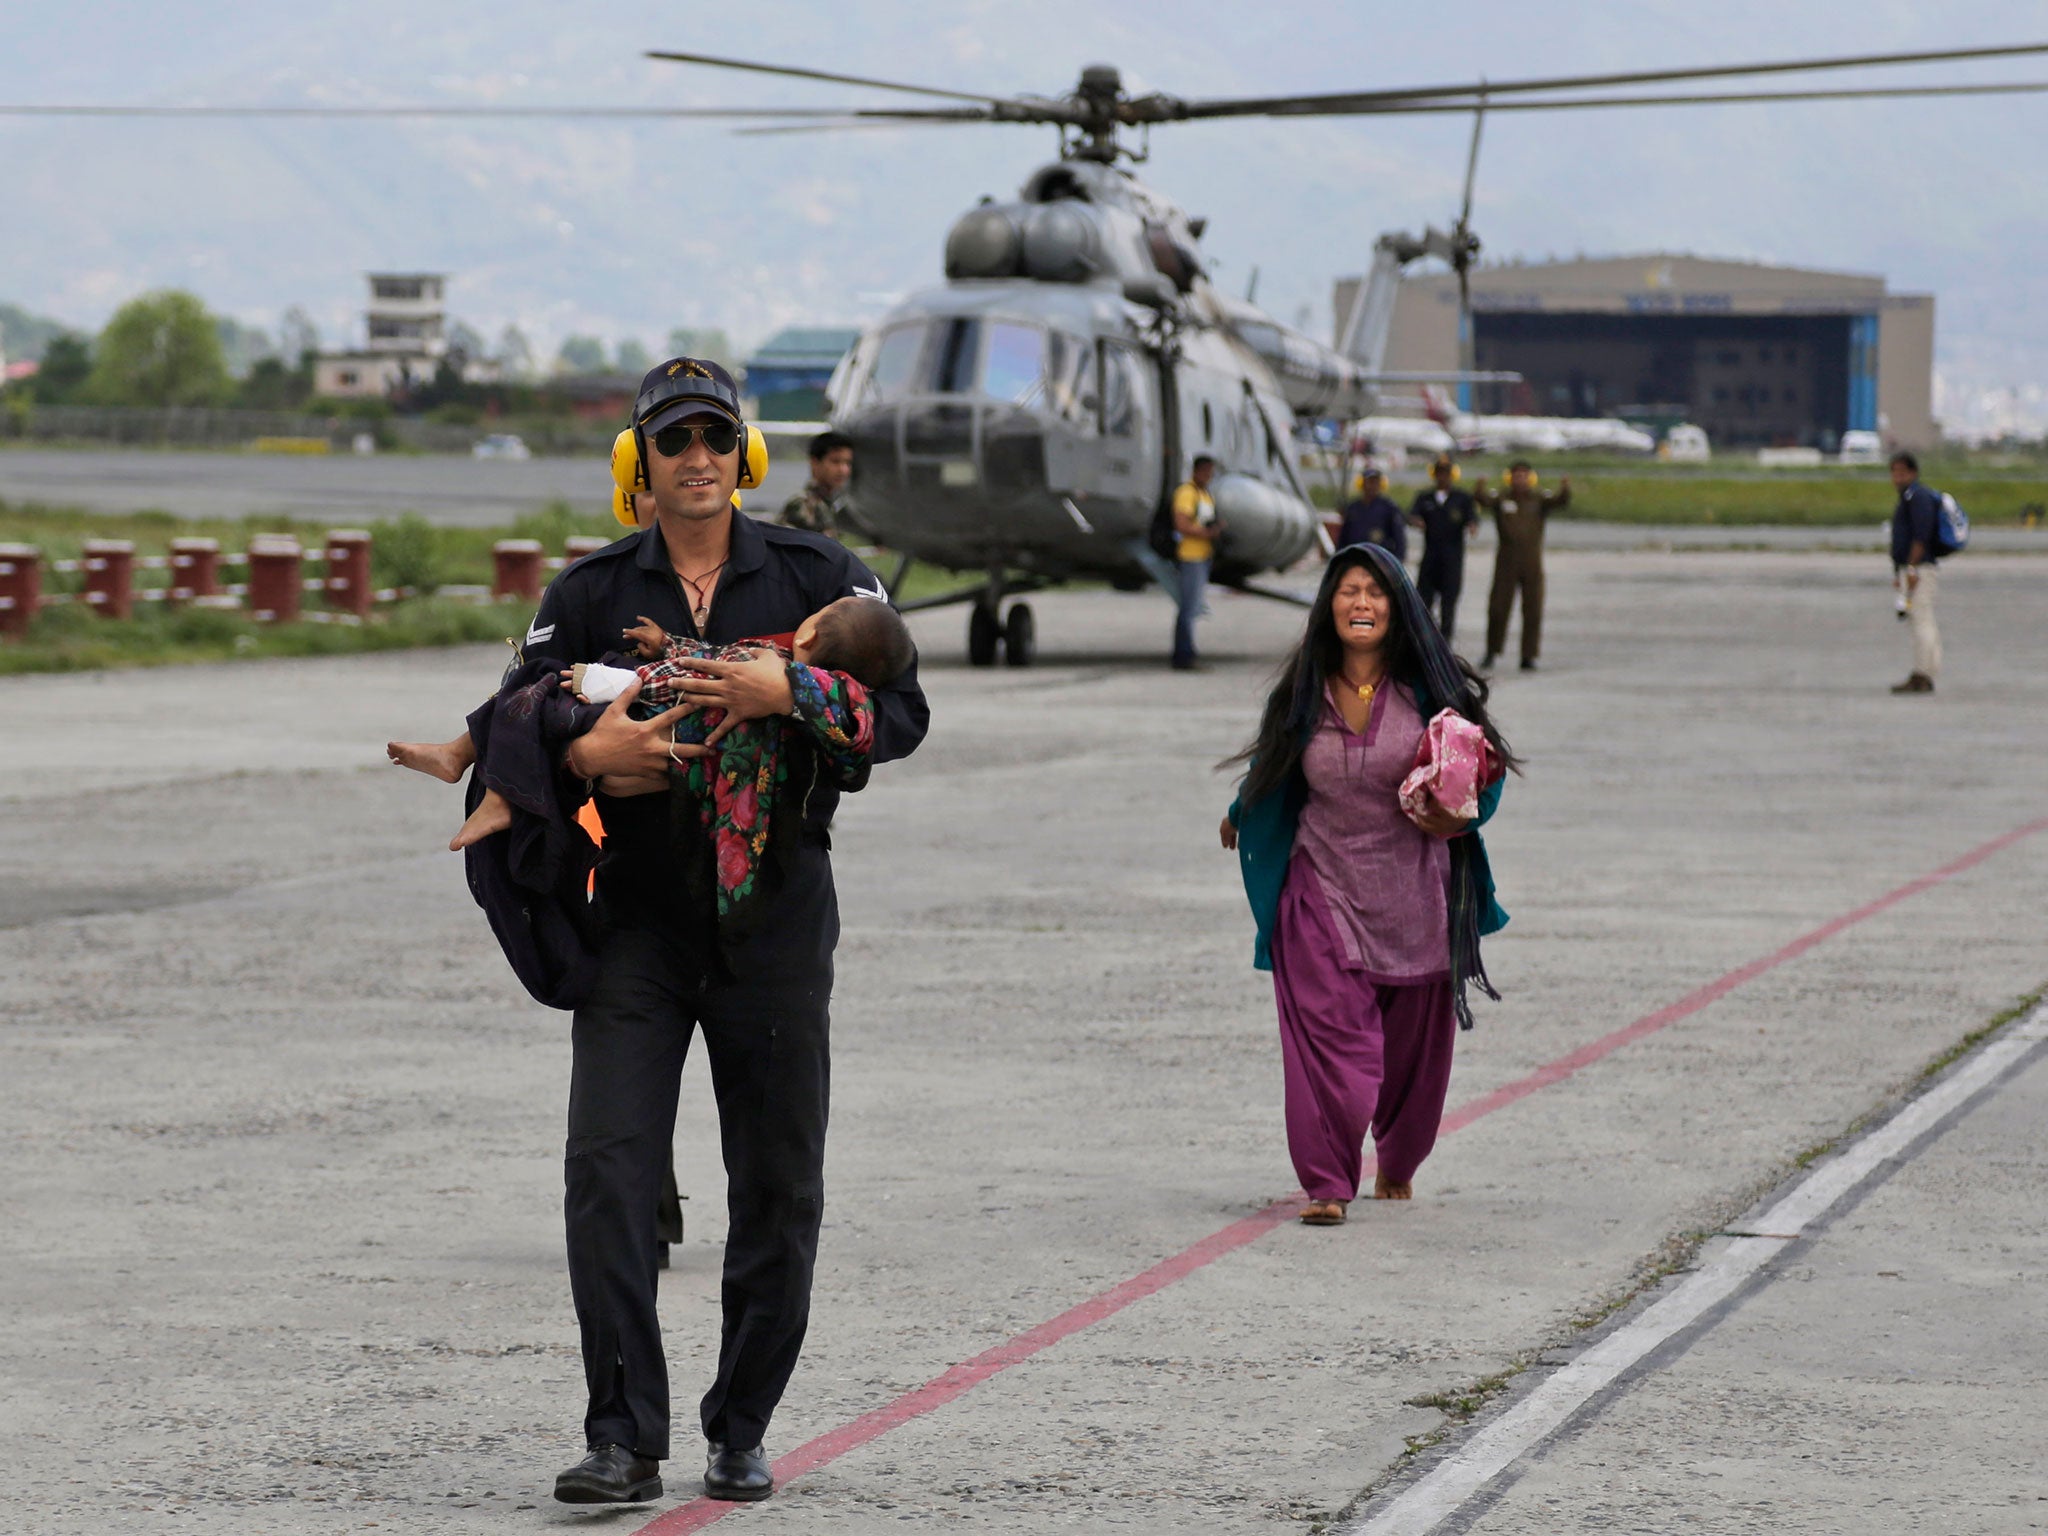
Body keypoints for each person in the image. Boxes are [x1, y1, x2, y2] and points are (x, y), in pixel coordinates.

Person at [516, 358, 929, 1506]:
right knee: (606, 1175)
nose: (695, 457)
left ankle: (739, 1427)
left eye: (715, 438)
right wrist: (583, 754)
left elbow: (902, 713)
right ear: (637, 461)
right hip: (636, 927)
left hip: (777, 919)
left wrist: (787, 693)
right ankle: (621, 1436)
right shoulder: (590, 591)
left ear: (743, 455)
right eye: (672, 439)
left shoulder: (822, 575)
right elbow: (517, 713)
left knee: (778, 1186)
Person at [1219, 543, 1513, 1226]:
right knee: (1330, 1044)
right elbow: (1271, 769)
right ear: (1328, 606)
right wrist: (1240, 813)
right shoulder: (1302, 696)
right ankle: (1327, 1181)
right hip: (1320, 891)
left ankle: (1400, 1159)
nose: (1360, 602)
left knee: (1413, 1057)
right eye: (1347, 590)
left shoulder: (1430, 695)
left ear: (1397, 606)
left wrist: (1459, 811)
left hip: (1416, 899)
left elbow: (1481, 779)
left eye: (1374, 592)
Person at [1476, 461, 1570, 672]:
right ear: (1510, 478)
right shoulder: (1502, 498)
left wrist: (1565, 487)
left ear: (1530, 477)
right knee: (1498, 609)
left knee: (1533, 610)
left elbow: (1560, 502)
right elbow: (1483, 501)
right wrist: (1479, 486)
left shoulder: (1538, 499)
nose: (1520, 479)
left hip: (1531, 563)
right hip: (1506, 563)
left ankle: (1528, 656)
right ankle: (1492, 651)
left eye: (1524, 475)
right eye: (1516, 475)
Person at [1888, 451, 1943, 694]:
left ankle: (1923, 674)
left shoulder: (1918, 497)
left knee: (1921, 620)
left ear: (1913, 473)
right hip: (1910, 569)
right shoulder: (1908, 498)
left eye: (1901, 473)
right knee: (1920, 620)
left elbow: (1921, 535)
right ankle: (1926, 671)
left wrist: (1910, 568)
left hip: (1918, 569)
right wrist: (1898, 572)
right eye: (1894, 473)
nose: (1897, 478)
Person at [1407, 455, 1480, 640]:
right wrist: (1416, 521)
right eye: (1439, 473)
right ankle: (1425, 641)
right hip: (1431, 557)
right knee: (1423, 603)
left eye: (1446, 473)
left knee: (1449, 605)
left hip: (1452, 559)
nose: (1443, 477)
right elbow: (1411, 515)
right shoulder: (1425, 497)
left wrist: (1472, 525)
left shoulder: (1461, 498)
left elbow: (1472, 517)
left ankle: (1446, 643)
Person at [1170, 454, 1224, 670]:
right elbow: (1182, 524)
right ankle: (1182, 654)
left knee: (1193, 606)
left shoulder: (1205, 494)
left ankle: (1188, 650)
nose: (1208, 476)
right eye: (1206, 472)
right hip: (1190, 555)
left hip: (1203, 555)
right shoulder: (1187, 493)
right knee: (1188, 607)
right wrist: (1206, 533)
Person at [780, 430, 857, 537]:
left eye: (848, 463)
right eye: (835, 461)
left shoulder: (831, 505)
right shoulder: (802, 505)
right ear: (815, 462)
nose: (843, 470)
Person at [1335, 469, 1407, 562]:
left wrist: (1399, 558)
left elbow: (1399, 536)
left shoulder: (1389, 507)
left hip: (1380, 558)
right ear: (1362, 484)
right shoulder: (1353, 508)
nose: (1372, 486)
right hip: (1355, 557)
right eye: (1369, 482)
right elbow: (1344, 536)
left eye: (1376, 482)